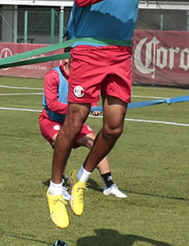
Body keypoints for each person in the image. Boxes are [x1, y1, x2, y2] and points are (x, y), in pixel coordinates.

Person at [47, 0, 188, 228]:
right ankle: (54, 188)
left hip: (120, 53)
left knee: (114, 128)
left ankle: (81, 179)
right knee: (76, 121)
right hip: (88, 49)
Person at [40, 61, 125, 198]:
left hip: (74, 121)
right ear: (66, 60)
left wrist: (94, 106)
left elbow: (90, 98)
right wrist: (77, 109)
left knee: (97, 143)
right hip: (52, 121)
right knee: (61, 143)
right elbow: (52, 104)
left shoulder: (82, 77)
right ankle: (59, 185)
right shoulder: (53, 75)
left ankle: (108, 185)